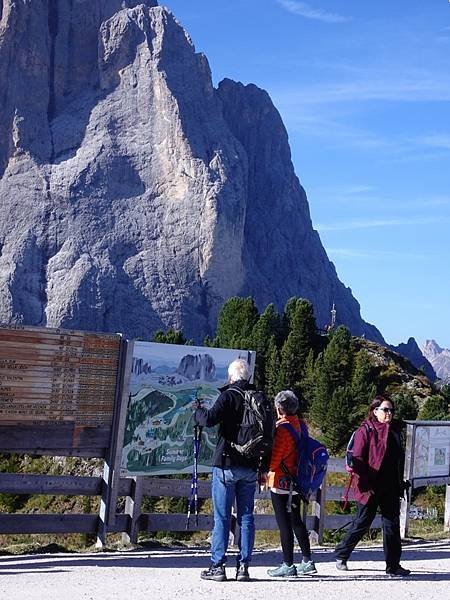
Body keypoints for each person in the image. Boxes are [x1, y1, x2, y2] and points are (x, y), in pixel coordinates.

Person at [194, 358, 259, 582]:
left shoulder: (229, 395)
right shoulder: (258, 397)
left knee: (222, 517)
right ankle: (244, 567)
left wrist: (198, 411)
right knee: (247, 517)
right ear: (248, 376)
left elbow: (209, 420)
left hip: (226, 464)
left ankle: (218, 566)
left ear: (231, 377)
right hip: (251, 466)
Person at [334, 395, 411, 576]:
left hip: (390, 485)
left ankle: (393, 565)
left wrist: (400, 484)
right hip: (369, 485)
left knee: (392, 525)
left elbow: (398, 461)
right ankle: (342, 554)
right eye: (385, 410)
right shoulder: (365, 431)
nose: (389, 413)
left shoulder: (394, 432)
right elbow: (358, 459)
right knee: (362, 522)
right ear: (375, 411)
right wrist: (364, 482)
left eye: (391, 410)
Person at [266, 390, 317, 578]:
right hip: (298, 481)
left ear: (279, 409)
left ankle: (288, 564)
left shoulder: (282, 429)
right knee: (297, 521)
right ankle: (307, 560)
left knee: (284, 524)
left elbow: (274, 461)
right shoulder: (301, 425)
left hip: (281, 482)